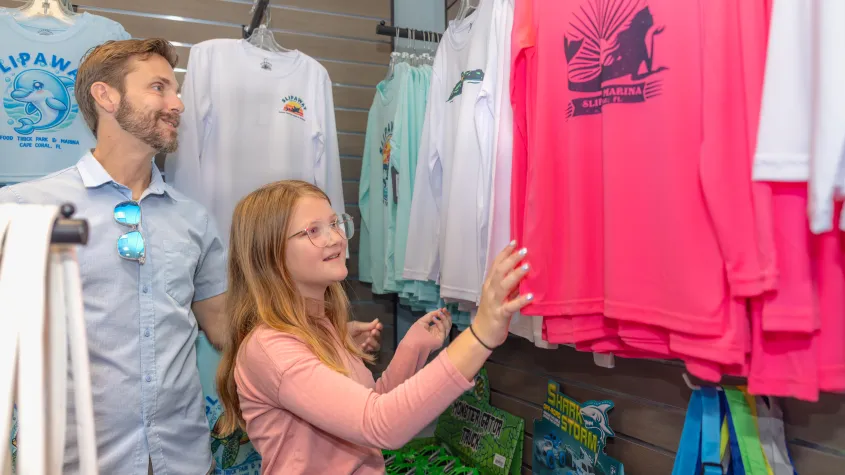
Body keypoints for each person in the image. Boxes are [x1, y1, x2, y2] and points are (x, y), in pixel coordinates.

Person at [0, 38, 381, 474]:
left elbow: (224, 328)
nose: (177, 103)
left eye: (176, 90)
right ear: (105, 96)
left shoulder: (192, 220)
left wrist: (315, 339)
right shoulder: (24, 208)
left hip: (180, 458)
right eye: (158, 88)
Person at [215, 180, 532, 474]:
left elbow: (368, 408)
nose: (336, 238)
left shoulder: (320, 327)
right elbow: (381, 423)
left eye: (335, 223)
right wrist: (480, 337)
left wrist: (412, 347)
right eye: (313, 230)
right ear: (270, 253)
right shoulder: (271, 348)